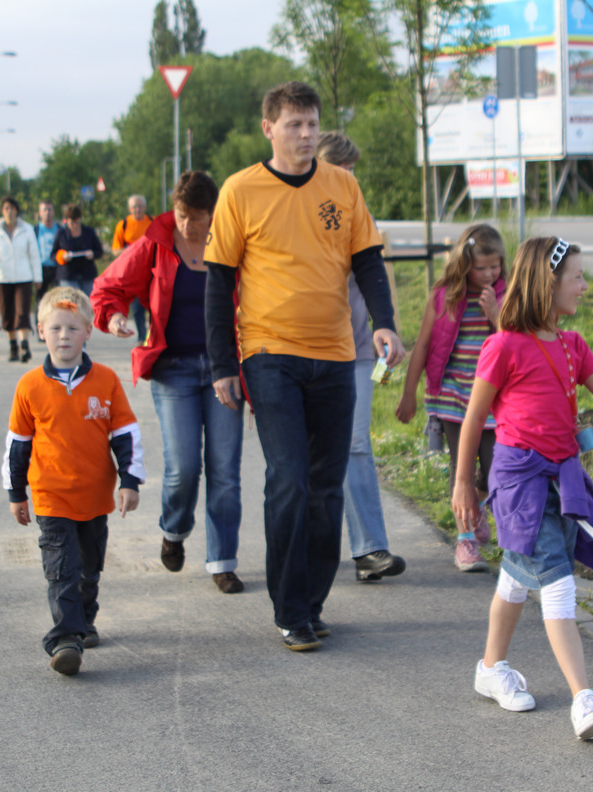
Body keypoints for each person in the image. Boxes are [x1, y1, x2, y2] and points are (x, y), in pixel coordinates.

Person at [204, 81, 404, 652]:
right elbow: (218, 284)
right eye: (295, 124)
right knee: (289, 478)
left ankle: (312, 604)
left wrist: (385, 322)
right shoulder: (241, 190)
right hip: (269, 354)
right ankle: (289, 609)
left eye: (313, 123)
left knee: (325, 487)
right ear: (269, 128)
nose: (307, 134)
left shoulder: (343, 185)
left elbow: (368, 261)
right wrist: (223, 365)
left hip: (337, 355)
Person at [452, 237, 593, 740]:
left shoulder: (573, 345)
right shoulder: (503, 346)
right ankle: (584, 699)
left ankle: (491, 668)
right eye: (577, 276)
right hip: (519, 481)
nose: (585, 285)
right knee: (557, 581)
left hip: (563, 475)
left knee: (517, 574)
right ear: (547, 284)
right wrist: (463, 483)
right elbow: (474, 418)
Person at [92, 172, 246, 595]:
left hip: (224, 370)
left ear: (213, 213)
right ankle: (174, 531)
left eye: (196, 217)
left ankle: (222, 562)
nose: (187, 225)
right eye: (181, 215)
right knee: (183, 467)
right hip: (172, 370)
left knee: (225, 471)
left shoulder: (233, 242)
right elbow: (108, 286)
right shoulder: (155, 243)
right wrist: (115, 317)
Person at [2, 287, 145, 676]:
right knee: (61, 568)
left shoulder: (106, 381)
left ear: (88, 332)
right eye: (55, 328)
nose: (63, 336)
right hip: (51, 498)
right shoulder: (29, 385)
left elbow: (125, 435)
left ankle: (83, 619)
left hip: (95, 497)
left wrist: (130, 481)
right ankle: (66, 639)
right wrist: (16, 493)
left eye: (72, 328)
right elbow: (17, 445)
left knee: (88, 567)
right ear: (40, 331)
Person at [316, 130, 406, 583]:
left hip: (355, 351)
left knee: (355, 444)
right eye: (342, 170)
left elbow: (375, 274)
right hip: (303, 351)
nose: (350, 178)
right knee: (308, 453)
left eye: (353, 171)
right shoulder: (298, 212)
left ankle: (370, 549)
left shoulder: (359, 214)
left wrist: (387, 327)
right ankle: (310, 547)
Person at [396, 223, 507, 572]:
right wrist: (409, 393)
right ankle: (465, 541)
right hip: (453, 396)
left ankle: (478, 507)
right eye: (481, 267)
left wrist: (495, 314)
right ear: (464, 264)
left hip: (494, 399)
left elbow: (517, 340)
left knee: (495, 468)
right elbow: (423, 345)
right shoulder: (444, 296)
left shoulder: (507, 293)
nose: (489, 274)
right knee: (462, 469)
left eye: (495, 266)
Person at [0, 196, 42, 363]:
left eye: (12, 208)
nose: (9, 212)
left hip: (24, 277)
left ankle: (25, 345)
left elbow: (34, 255)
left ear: (17, 211)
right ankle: (13, 346)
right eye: (6, 208)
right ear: (2, 211)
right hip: (3, 278)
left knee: (22, 311)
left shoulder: (27, 229)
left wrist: (38, 277)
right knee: (6, 313)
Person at [111, 195, 153, 344]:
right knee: (137, 308)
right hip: (133, 274)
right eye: (134, 207)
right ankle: (142, 336)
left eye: (140, 206)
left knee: (154, 305)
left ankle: (154, 335)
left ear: (145, 207)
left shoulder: (153, 222)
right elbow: (115, 250)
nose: (137, 209)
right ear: (129, 209)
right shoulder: (123, 225)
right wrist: (134, 250)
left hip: (152, 272)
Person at [51, 204, 103, 297]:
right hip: (68, 275)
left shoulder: (89, 232)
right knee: (72, 301)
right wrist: (63, 257)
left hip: (87, 274)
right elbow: (53, 255)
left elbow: (99, 251)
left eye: (77, 222)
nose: (75, 225)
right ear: (67, 221)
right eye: (72, 223)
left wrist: (93, 254)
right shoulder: (61, 234)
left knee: (88, 300)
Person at [34, 200, 62, 309]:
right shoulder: (36, 229)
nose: (47, 212)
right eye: (44, 210)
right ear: (40, 213)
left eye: (49, 209)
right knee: (40, 299)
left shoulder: (59, 229)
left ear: (53, 212)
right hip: (41, 268)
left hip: (57, 268)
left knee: (58, 298)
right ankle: (38, 319)